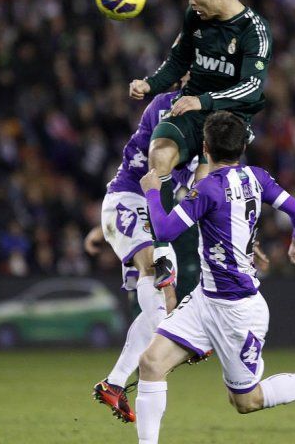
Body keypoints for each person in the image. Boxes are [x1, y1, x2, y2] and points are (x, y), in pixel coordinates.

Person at [135, 112, 295, 444]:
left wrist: (153, 191)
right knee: (151, 362)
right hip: (205, 300)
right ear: (243, 147)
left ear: (205, 147)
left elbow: (166, 229)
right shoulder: (257, 177)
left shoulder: (207, 189)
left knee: (246, 401)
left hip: (238, 312)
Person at [129, 0, 273, 288]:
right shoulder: (196, 19)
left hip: (229, 121)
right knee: (159, 155)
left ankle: (218, 266)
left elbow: (252, 87)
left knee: (205, 189)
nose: (192, 2)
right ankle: (163, 257)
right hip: (192, 110)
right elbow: (177, 61)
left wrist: (204, 101)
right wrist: (149, 84)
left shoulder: (254, 31)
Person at [90, 89, 206, 424]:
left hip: (142, 211)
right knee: (159, 284)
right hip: (129, 199)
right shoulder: (168, 106)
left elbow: (204, 188)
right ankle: (178, 344)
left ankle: (114, 382)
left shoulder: (204, 132)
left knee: (163, 306)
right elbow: (154, 169)